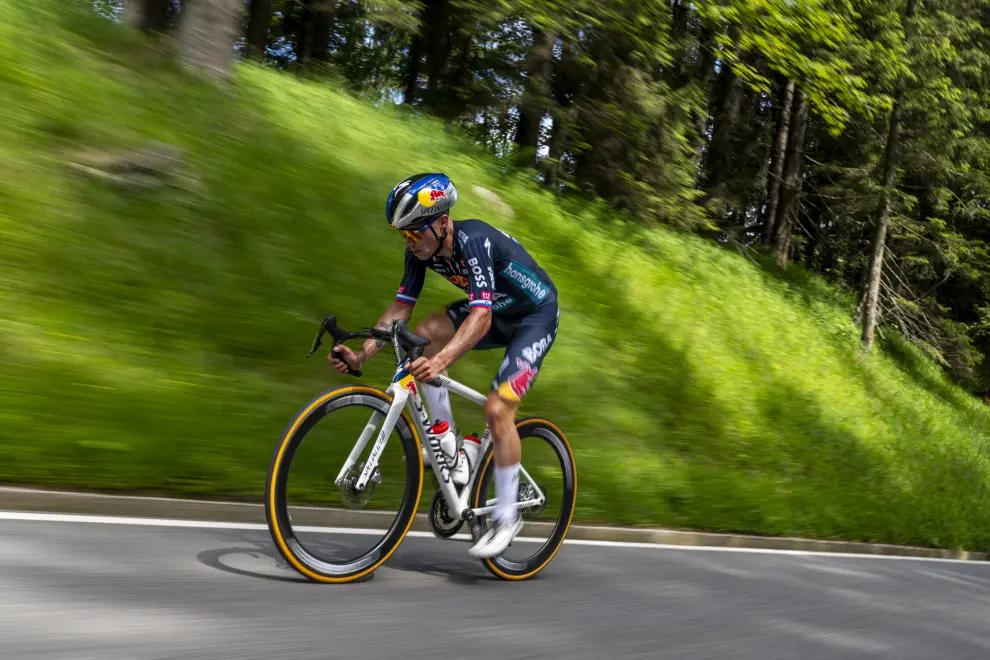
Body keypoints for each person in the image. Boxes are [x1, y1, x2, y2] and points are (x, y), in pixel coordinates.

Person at [329, 172, 559, 558]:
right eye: (404, 235)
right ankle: (450, 448)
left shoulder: (475, 240)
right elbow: (400, 309)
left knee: (498, 408)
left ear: (441, 221)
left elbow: (481, 317)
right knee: (426, 331)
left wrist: (440, 362)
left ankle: (506, 517)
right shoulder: (422, 250)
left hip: (534, 316)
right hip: (496, 309)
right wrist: (364, 354)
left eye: (415, 234)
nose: (410, 243)